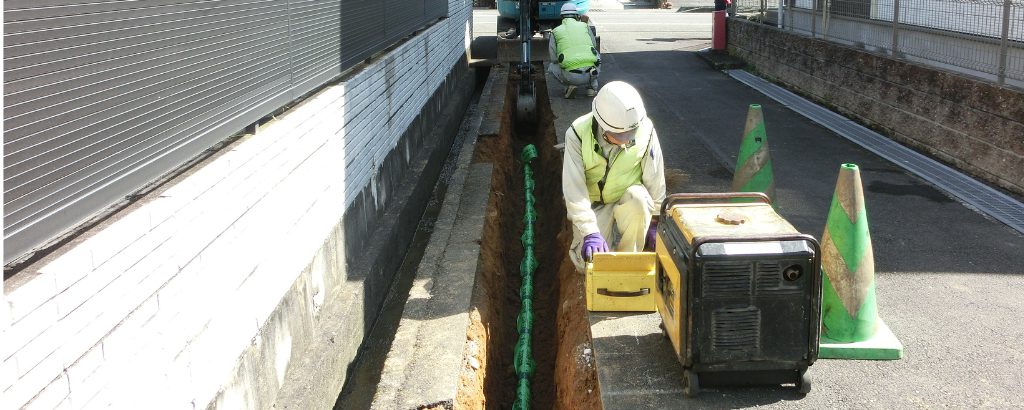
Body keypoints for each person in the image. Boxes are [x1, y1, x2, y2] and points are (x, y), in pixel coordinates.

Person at [562, 81, 667, 272]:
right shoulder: (577, 134)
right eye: (620, 136)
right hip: (594, 204)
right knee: (588, 264)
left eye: (631, 134)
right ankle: (602, 264)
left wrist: (655, 220)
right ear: (603, 127)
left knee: (639, 201)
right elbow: (574, 188)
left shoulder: (646, 130)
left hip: (626, 196)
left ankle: (629, 265)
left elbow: (655, 177)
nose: (626, 141)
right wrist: (589, 231)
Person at [548, 3, 601, 99]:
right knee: (596, 54)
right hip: (591, 74)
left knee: (552, 67)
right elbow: (594, 45)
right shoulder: (584, 26)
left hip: (571, 76)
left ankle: (568, 86)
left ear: (561, 17)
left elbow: (553, 58)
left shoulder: (555, 32)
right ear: (577, 16)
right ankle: (592, 88)